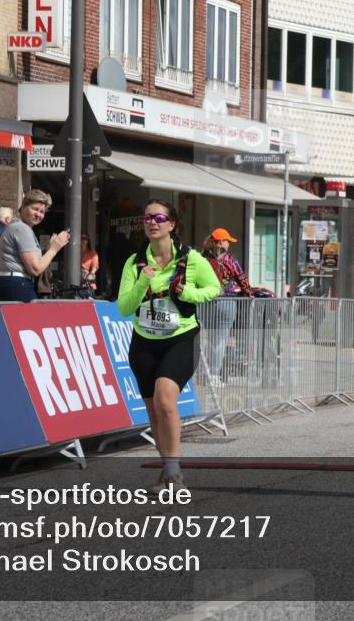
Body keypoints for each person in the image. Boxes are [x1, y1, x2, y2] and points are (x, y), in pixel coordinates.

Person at [117, 200, 221, 491]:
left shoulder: (191, 259)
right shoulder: (134, 262)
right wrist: (142, 284)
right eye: (147, 217)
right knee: (154, 412)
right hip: (145, 343)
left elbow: (214, 289)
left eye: (159, 217)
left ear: (171, 224)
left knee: (165, 400)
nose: (152, 222)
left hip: (181, 339)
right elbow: (123, 307)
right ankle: (166, 470)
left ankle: (174, 472)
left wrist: (187, 292)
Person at [0, 189, 69, 302]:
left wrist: (48, 249)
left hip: (7, 283)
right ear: (23, 205)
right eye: (35, 209)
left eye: (42, 212)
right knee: (31, 319)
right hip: (16, 285)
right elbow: (35, 269)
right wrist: (55, 247)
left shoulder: (17, 226)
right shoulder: (22, 229)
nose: (39, 214)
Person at [201, 228, 253, 377]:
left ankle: (206, 374)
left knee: (211, 339)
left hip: (207, 301)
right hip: (226, 302)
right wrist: (250, 295)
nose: (229, 244)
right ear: (221, 243)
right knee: (220, 340)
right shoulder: (229, 259)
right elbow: (241, 278)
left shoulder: (203, 258)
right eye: (227, 241)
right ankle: (214, 375)